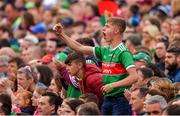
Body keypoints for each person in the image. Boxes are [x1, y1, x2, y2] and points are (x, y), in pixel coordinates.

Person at [53, 17, 138, 115]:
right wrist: (62, 34)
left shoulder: (124, 52)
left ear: (116, 30)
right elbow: (79, 47)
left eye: (107, 27)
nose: (103, 30)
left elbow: (134, 77)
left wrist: (113, 85)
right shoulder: (105, 50)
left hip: (120, 100)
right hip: (108, 99)